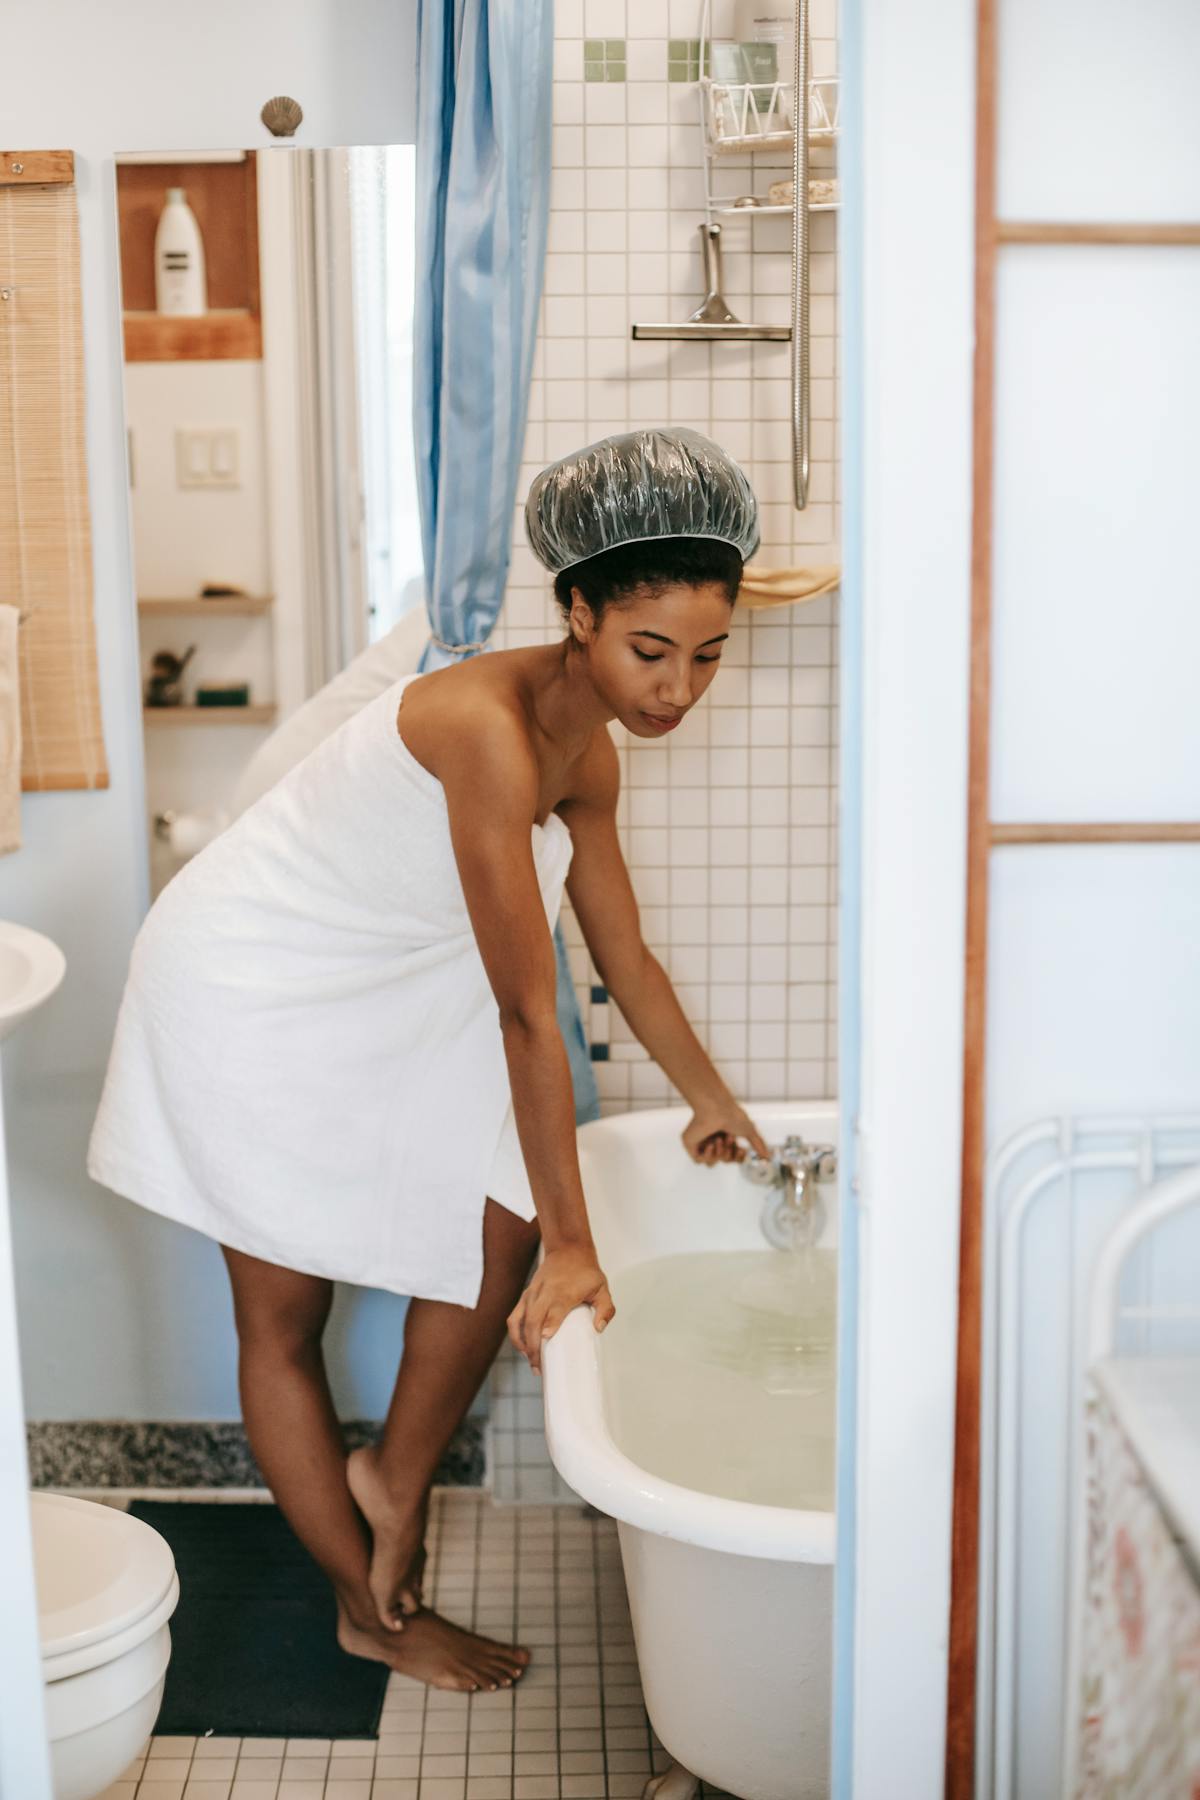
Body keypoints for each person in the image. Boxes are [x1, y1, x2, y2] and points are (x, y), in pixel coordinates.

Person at [87, 426, 771, 1696]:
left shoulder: (593, 753)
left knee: (498, 1221)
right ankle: (368, 1609)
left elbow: (624, 960)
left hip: (380, 978)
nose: (680, 687)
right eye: (651, 651)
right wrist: (578, 1242)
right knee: (286, 1314)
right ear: (576, 614)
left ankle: (389, 1482)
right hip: (248, 984)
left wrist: (711, 1101)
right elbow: (527, 1010)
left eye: (709, 654)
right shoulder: (485, 727)